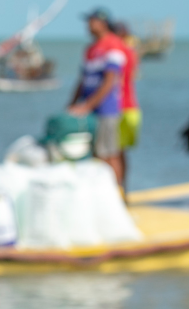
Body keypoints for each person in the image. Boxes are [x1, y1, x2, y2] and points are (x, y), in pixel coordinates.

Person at [68, 8, 127, 189]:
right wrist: (72, 103)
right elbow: (82, 80)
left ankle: (117, 195)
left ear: (102, 23)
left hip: (106, 109)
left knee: (109, 154)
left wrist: (87, 105)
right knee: (94, 154)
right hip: (90, 110)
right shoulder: (91, 49)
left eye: (91, 21)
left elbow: (110, 82)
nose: (88, 25)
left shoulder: (113, 46)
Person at [112, 20, 141, 199]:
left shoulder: (116, 53)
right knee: (121, 153)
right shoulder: (131, 52)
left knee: (110, 153)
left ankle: (117, 194)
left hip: (118, 108)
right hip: (132, 108)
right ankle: (124, 191)